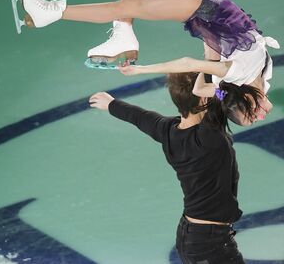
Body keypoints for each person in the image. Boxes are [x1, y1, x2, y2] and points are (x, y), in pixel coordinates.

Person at [15, 0, 279, 125]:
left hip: (204, 10)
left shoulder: (237, 75)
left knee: (125, 7)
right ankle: (123, 35)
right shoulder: (260, 78)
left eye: (253, 116)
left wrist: (144, 69)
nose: (261, 115)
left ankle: (50, 13)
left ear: (247, 100)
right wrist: (213, 60)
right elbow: (205, 83)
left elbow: (196, 80)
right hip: (209, 7)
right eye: (254, 117)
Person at [89, 72, 245, 263]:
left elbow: (140, 117)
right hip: (209, 244)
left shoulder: (169, 130)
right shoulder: (209, 136)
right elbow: (226, 97)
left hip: (194, 237)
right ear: (204, 96)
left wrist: (111, 104)